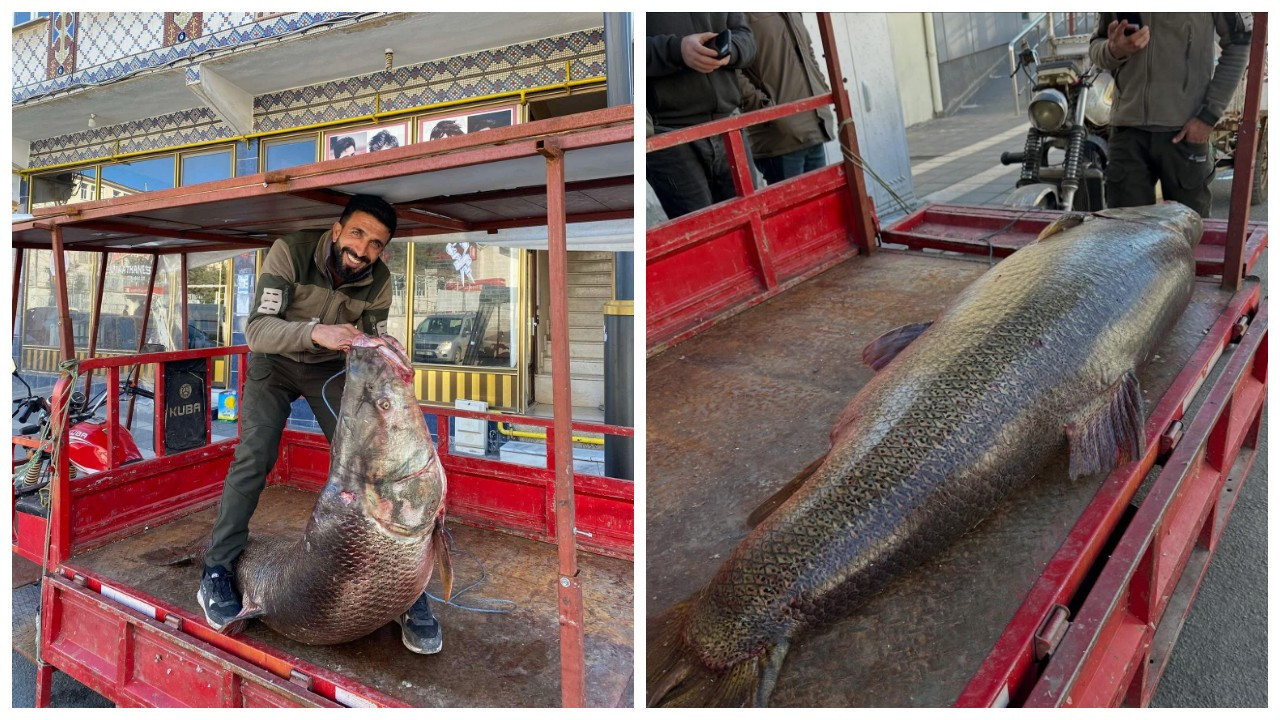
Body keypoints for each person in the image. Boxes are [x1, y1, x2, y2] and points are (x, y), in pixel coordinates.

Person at [198, 194, 445, 655]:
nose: (363, 249)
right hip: (274, 365)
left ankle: (409, 592)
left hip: (329, 370)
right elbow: (258, 330)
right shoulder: (289, 252)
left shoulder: (381, 281)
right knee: (255, 456)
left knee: (374, 465)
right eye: (357, 234)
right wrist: (316, 331)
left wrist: (381, 345)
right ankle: (217, 566)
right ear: (337, 230)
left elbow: (369, 338)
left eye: (375, 243)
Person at [1088, 13, 1252, 217]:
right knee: (1123, 234)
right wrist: (1114, 49)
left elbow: (1240, 41)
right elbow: (1096, 46)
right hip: (1127, 133)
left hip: (1184, 134)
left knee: (1189, 236)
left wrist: (1208, 116)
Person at [647, 13, 757, 218]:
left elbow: (747, 39)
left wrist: (729, 50)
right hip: (669, 133)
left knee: (747, 221)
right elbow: (622, 51)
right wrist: (677, 49)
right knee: (701, 236)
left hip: (728, 125)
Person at [737, 12, 835, 185]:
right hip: (779, 136)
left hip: (814, 125)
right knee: (794, 210)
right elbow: (731, 71)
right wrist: (765, 108)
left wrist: (821, 89)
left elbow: (807, 51)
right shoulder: (735, 11)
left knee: (820, 208)